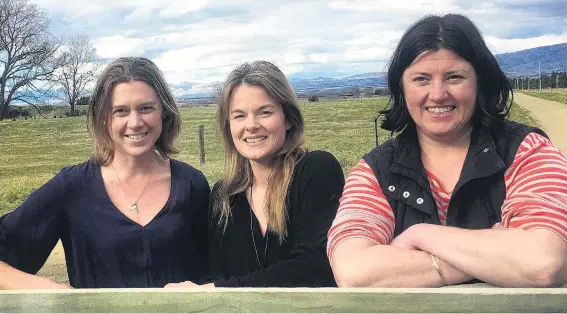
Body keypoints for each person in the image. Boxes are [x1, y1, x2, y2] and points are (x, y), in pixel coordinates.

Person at [328, 14, 567, 288]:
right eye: (421, 79)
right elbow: (353, 271)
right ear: (401, 89)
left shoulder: (527, 152)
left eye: (455, 77)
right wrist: (492, 261)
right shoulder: (375, 172)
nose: (438, 93)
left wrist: (421, 235)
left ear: (480, 83)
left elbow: (545, 261)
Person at [0, 57, 210, 289]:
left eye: (146, 108)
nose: (135, 122)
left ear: (164, 113)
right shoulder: (72, 188)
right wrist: (51, 292)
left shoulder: (192, 185)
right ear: (103, 119)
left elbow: (220, 275)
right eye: (120, 111)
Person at [165, 61, 344, 288]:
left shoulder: (316, 171)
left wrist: (214, 291)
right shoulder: (225, 196)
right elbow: (217, 273)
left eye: (264, 112)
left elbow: (313, 267)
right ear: (229, 126)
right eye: (239, 116)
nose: (251, 125)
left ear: (288, 119)